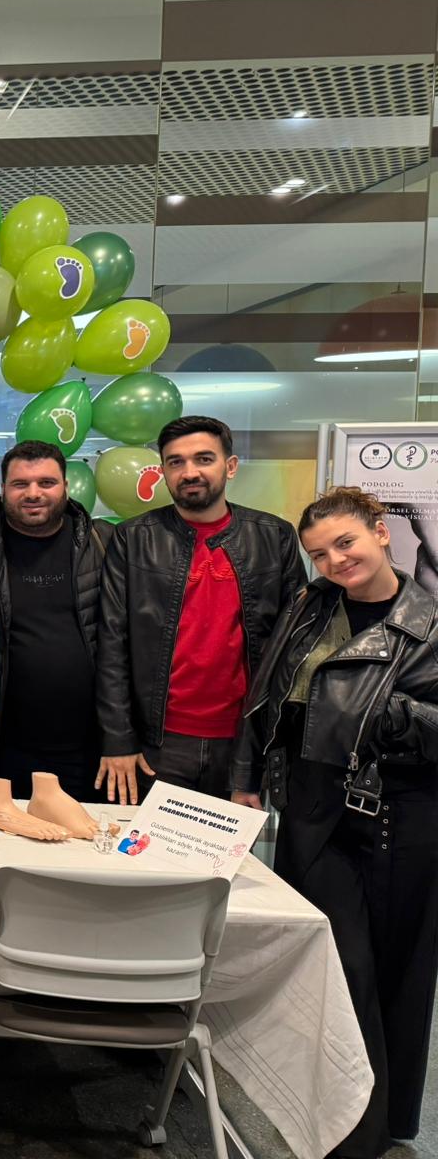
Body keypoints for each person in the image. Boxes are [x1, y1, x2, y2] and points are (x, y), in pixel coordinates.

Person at [233, 487, 438, 1158]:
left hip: (398, 811)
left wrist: (394, 717)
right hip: (313, 803)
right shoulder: (311, 606)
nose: (335, 561)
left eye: (345, 543)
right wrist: (247, 781)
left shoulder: (429, 619)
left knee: (394, 972)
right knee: (334, 965)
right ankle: (341, 1121)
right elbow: (266, 695)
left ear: (381, 532)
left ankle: (378, 1127)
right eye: (320, 553)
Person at [96, 416, 303, 804]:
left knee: (232, 847)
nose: (189, 472)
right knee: (148, 845)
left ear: (230, 466)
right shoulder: (133, 538)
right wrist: (118, 738)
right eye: (175, 462)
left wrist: (271, 749)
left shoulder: (274, 536)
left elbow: (294, 648)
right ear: (163, 471)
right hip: (158, 745)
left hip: (244, 741)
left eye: (204, 459)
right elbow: (112, 645)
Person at [0, 440, 113, 802]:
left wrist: (122, 737)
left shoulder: (105, 545)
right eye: (20, 484)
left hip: (90, 748)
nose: (33, 493)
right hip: (1, 747)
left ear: (66, 486)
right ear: (3, 488)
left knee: (86, 833)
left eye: (46, 483)